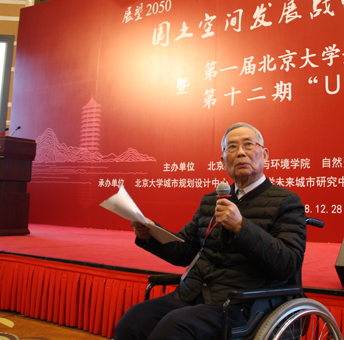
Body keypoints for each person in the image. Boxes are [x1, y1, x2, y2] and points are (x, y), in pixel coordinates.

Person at [114, 122, 306, 340]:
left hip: (242, 304)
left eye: (248, 144)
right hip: (193, 294)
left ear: (265, 154)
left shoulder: (286, 202)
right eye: (231, 147)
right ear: (223, 160)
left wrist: (241, 227)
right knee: (133, 322)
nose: (240, 152)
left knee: (174, 328)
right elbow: (184, 251)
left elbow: (288, 264)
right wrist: (151, 235)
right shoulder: (211, 201)